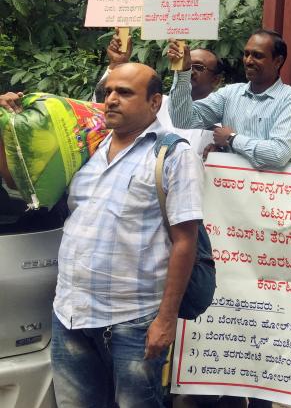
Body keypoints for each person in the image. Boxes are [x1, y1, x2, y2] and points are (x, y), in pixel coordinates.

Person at [50, 63, 203, 407]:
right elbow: (23, 181)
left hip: (132, 322)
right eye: (108, 92)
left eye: (125, 93)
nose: (111, 100)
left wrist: (165, 321)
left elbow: (184, 242)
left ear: (154, 102)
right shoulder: (87, 146)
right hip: (70, 312)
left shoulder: (173, 155)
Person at [168, 28, 291, 169]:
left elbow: (279, 154)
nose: (248, 61)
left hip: (269, 188)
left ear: (277, 61)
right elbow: (182, 120)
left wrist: (232, 139)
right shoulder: (230, 94)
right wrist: (183, 72)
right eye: (246, 54)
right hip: (229, 187)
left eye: (257, 56)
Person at [98, 30, 223, 155]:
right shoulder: (155, 103)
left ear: (216, 80)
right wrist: (116, 64)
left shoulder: (223, 119)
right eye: (187, 65)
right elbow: (99, 111)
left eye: (198, 67)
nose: (189, 71)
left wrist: (224, 150)